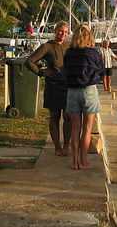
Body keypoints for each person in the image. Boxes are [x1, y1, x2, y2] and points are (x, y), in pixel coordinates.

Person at [26, 21, 70, 156]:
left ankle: (66, 146)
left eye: (66, 32)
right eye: (60, 31)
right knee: (54, 117)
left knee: (68, 117)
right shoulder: (47, 46)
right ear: (55, 31)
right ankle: (57, 146)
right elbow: (29, 62)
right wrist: (42, 72)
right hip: (53, 87)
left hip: (68, 88)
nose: (63, 34)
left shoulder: (69, 46)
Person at [63, 25, 104, 170]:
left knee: (75, 128)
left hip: (72, 91)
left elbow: (65, 70)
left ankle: (74, 161)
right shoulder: (94, 53)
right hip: (89, 91)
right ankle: (83, 160)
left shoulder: (68, 53)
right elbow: (101, 71)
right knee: (87, 129)